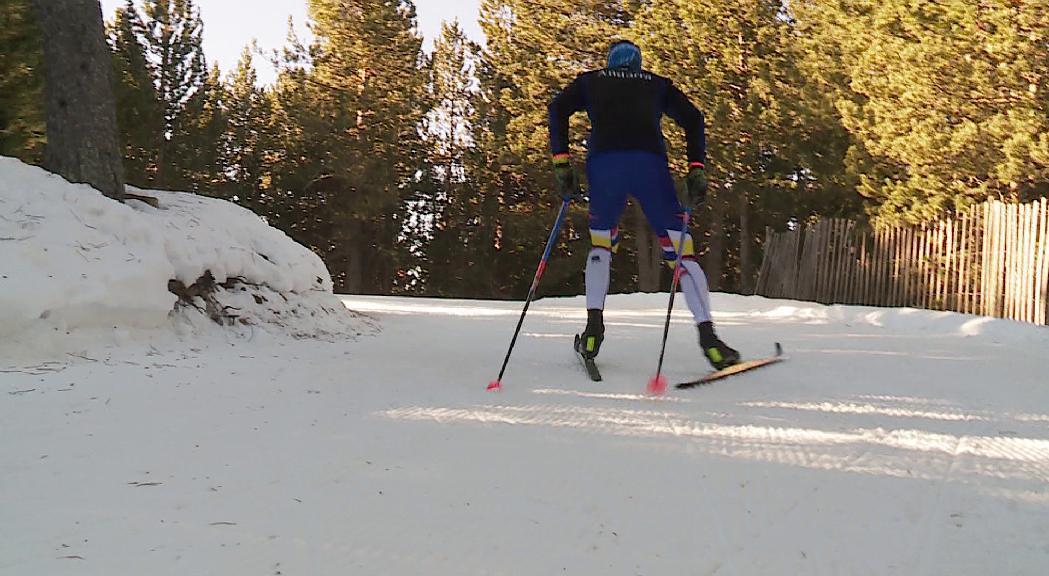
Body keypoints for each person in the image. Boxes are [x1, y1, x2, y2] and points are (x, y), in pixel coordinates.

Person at [547, 39, 740, 370]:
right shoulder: (656, 83)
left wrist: (562, 162)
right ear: (637, 64)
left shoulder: (591, 80)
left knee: (601, 243)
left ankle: (594, 329)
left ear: (610, 63)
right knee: (681, 249)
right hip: (649, 164)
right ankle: (709, 338)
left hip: (605, 165)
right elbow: (694, 118)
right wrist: (696, 168)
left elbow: (557, 108)